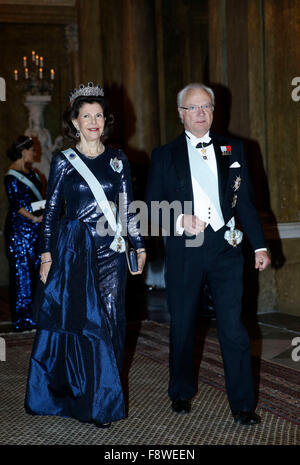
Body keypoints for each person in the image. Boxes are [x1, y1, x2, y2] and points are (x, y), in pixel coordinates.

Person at [145, 83, 270, 426]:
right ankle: (181, 392)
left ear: (214, 112)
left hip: (227, 248)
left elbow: (245, 202)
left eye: (206, 107)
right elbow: (150, 210)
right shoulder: (164, 155)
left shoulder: (235, 149)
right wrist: (178, 218)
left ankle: (243, 404)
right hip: (187, 250)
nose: (201, 113)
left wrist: (259, 245)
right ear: (181, 114)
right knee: (183, 325)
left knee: (233, 327)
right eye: (193, 108)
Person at [24, 83, 146, 428]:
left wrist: (139, 246)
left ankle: (105, 397)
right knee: (81, 324)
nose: (93, 121)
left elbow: (128, 209)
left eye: (98, 115)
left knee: (110, 321)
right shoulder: (64, 160)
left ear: (105, 121)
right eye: (86, 116)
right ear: (75, 122)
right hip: (76, 251)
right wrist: (46, 255)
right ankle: (80, 392)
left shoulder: (118, 159)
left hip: (111, 252)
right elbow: (50, 213)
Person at [4, 136, 43, 332]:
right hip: (19, 232)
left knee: (36, 271)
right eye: (31, 149)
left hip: (35, 230)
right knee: (22, 274)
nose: (34, 153)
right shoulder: (11, 175)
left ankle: (35, 315)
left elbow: (37, 200)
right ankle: (22, 319)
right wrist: (35, 218)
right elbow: (17, 205)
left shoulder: (33, 173)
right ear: (22, 151)